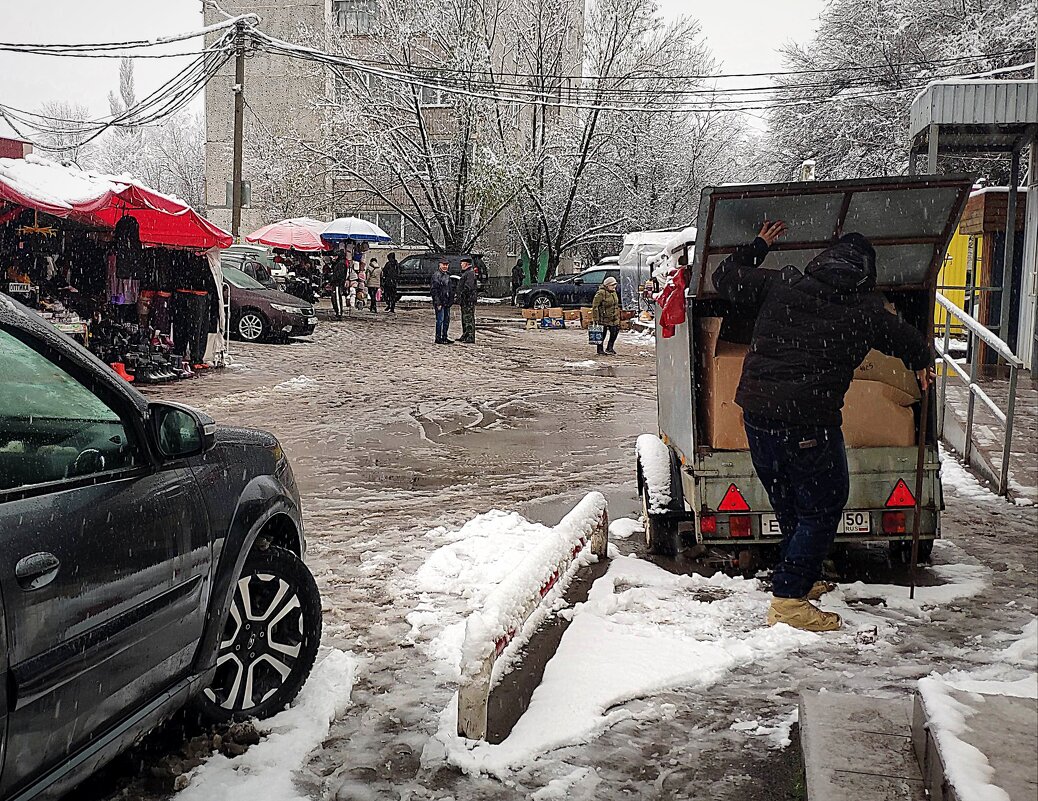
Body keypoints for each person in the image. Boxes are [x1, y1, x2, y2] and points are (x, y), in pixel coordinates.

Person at [714, 221, 933, 633]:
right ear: (867, 273)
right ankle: (789, 599)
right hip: (807, 422)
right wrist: (922, 360)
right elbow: (905, 339)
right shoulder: (864, 310)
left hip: (757, 416)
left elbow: (723, 276)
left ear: (821, 261)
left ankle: (800, 576)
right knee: (825, 504)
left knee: (788, 498)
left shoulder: (783, 284)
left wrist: (758, 245)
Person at [591, 276, 621, 355]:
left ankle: (610, 348)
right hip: (603, 317)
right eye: (612, 285)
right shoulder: (601, 293)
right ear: (607, 285)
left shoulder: (613, 292)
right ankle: (600, 349)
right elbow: (595, 306)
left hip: (613, 317)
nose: (614, 286)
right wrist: (595, 318)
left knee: (615, 331)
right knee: (602, 333)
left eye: (615, 284)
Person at [431, 259, 452, 344]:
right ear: (440, 265)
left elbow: (450, 289)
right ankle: (438, 337)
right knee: (440, 320)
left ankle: (444, 336)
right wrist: (438, 302)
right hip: (440, 301)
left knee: (446, 320)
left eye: (446, 265)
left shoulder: (447, 275)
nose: (445, 266)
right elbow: (434, 291)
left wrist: (450, 300)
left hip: (446, 301)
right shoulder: (436, 275)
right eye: (443, 265)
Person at [458, 258, 478, 343]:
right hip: (465, 299)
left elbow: (468, 287)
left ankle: (469, 336)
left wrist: (463, 294)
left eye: (462, 263)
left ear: (466, 264)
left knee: (468, 318)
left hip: (468, 299)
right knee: (465, 317)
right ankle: (465, 334)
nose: (461, 265)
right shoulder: (467, 273)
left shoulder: (469, 273)